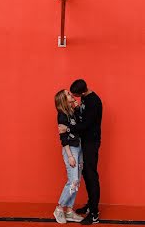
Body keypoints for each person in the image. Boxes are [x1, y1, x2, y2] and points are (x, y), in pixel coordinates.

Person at [59, 80, 102, 225]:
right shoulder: (84, 98)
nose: (73, 97)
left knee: (91, 175)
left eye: (74, 95)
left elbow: (85, 125)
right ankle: (90, 205)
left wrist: (68, 129)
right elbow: (81, 117)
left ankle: (94, 213)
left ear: (82, 92)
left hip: (91, 143)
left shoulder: (94, 102)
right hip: (83, 142)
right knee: (86, 174)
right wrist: (77, 110)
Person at [54, 89, 84, 224]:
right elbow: (63, 138)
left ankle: (70, 211)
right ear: (63, 100)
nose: (71, 94)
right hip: (70, 150)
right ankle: (59, 208)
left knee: (76, 182)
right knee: (73, 181)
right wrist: (70, 156)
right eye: (67, 94)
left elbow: (80, 127)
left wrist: (76, 107)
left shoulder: (71, 112)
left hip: (79, 148)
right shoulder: (62, 115)